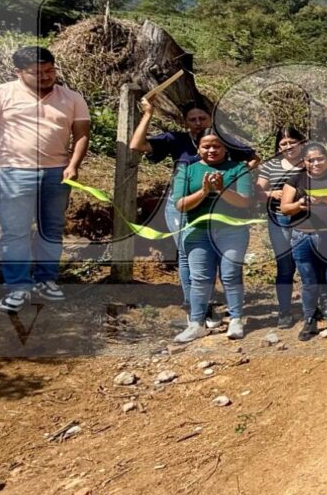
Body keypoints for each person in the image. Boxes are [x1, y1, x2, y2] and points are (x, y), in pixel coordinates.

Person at [0, 45, 90, 312]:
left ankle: (46, 280)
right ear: (19, 72)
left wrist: (73, 165)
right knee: (15, 232)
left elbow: (82, 133)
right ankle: (18, 288)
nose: (46, 76)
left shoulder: (71, 98)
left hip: (57, 174)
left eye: (50, 70)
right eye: (38, 72)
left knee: (52, 229)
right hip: (11, 173)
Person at [131, 96, 255, 330]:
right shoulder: (175, 140)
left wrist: (236, 178)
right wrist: (148, 113)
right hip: (183, 205)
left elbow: (252, 157)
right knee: (188, 256)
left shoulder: (223, 140)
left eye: (202, 118)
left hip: (223, 207)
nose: (197, 122)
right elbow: (137, 145)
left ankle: (213, 310)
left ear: (210, 119)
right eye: (192, 119)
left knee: (220, 262)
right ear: (185, 122)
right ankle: (196, 310)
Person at [171, 129, 253, 343]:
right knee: (200, 279)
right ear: (198, 149)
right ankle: (196, 324)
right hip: (198, 232)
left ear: (225, 148)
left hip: (232, 231)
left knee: (230, 274)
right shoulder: (187, 170)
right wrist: (204, 192)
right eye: (206, 146)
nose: (212, 150)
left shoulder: (239, 168)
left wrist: (221, 189)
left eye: (217, 146)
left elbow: (244, 201)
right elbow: (180, 204)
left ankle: (236, 319)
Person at [279, 142, 327, 340]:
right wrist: (299, 205)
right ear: (304, 162)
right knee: (308, 281)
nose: (316, 163)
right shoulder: (296, 179)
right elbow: (285, 208)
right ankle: (309, 319)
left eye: (320, 159)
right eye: (311, 160)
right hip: (302, 237)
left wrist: (321, 197)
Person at [256, 126, 307, 328]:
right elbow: (258, 192)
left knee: (307, 265)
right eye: (283, 144)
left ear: (301, 143)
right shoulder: (270, 166)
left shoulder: (310, 163)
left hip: (307, 219)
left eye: (292, 142)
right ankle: (284, 311)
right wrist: (271, 194)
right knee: (285, 266)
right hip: (279, 220)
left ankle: (312, 308)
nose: (288, 146)